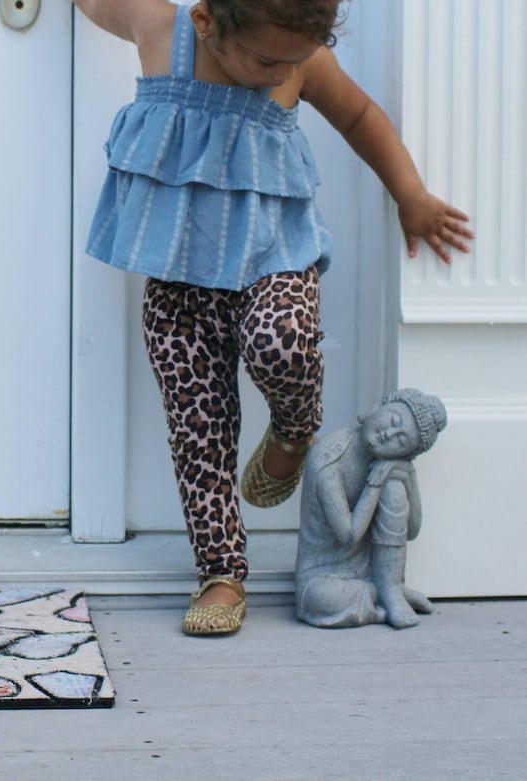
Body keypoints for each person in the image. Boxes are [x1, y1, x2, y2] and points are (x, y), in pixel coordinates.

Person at [73, 0, 474, 635]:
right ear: (205, 21)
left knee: (281, 343)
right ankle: (221, 572)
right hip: (179, 274)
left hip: (272, 253)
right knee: (196, 424)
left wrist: (412, 194)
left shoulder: (299, 59)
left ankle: (294, 430)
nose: (277, 73)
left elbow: (360, 115)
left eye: (291, 61)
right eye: (265, 60)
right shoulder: (161, 30)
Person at [295, 389, 446, 629]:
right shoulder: (328, 458)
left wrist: (408, 475)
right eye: (393, 420)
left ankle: (390, 587)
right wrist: (374, 483)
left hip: (369, 565)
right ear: (379, 407)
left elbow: (413, 531)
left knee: (395, 487)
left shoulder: (389, 464)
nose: (389, 434)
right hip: (324, 574)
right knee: (321, 599)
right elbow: (348, 536)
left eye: (401, 440)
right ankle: (384, 594)